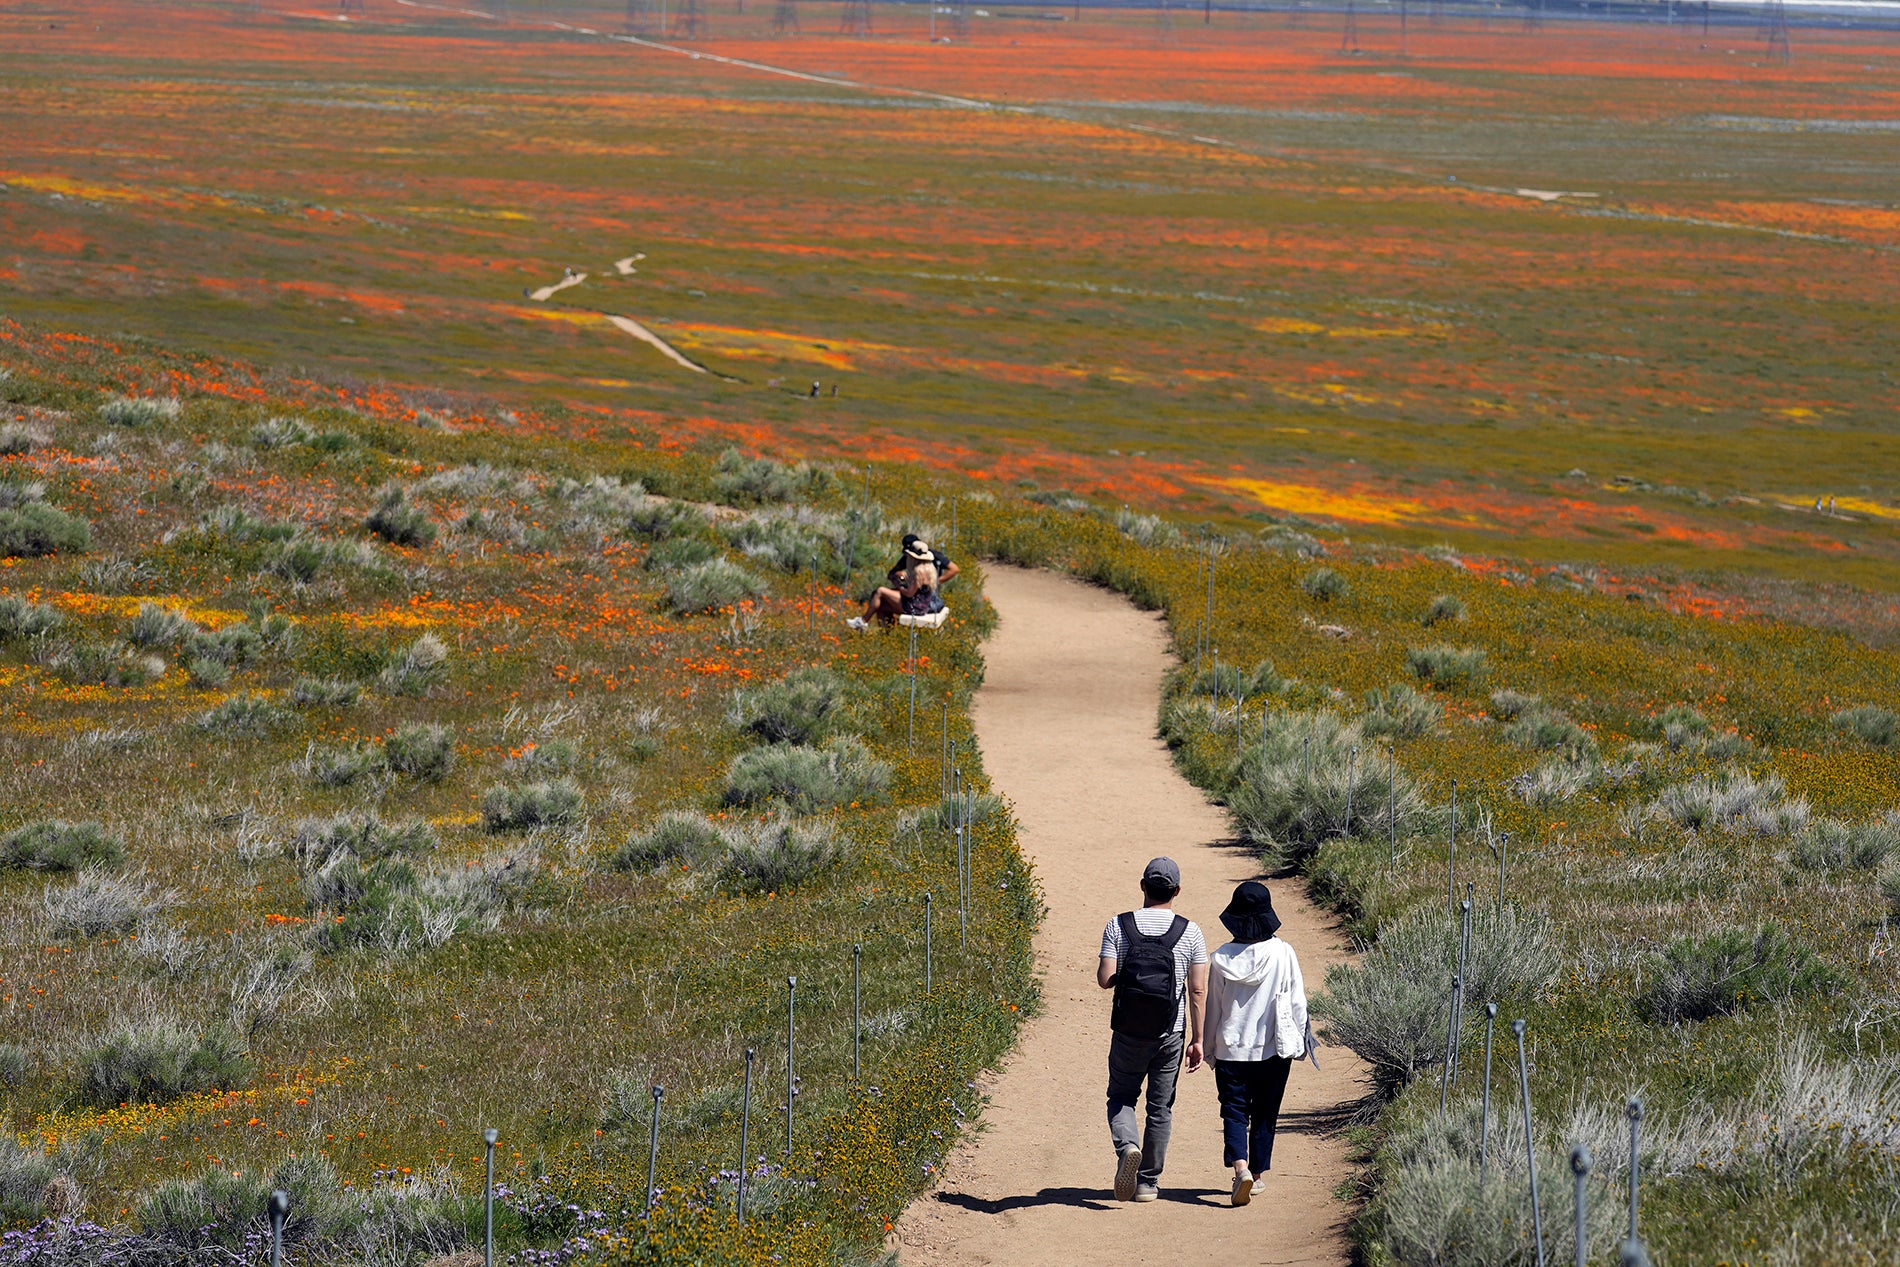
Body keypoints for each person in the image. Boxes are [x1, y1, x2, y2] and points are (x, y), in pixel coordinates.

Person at [1097, 857, 1208, 1203]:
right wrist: (1198, 1039)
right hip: (1170, 1032)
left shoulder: (1119, 925)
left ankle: (1128, 1147)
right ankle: (1147, 1183)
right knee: (1160, 1108)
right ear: (1177, 891)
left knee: (1121, 1096)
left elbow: (1105, 979)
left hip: (1128, 1030)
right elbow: (1198, 990)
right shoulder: (1190, 931)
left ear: (1143, 886)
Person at [1205, 880, 1308, 1208]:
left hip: (1231, 1049)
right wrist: (1302, 1039)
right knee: (1265, 1111)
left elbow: (1213, 1008)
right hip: (1273, 1048)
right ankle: (1258, 1174)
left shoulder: (1220, 958)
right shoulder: (1283, 952)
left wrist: (1208, 1048)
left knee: (1234, 1110)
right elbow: (1297, 1001)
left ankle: (1241, 1169)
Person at [845, 539, 937, 631]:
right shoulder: (929, 569)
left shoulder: (919, 572)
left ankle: (863, 621)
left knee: (880, 591)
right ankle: (885, 634)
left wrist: (898, 585)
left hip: (914, 606)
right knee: (882, 606)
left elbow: (909, 593)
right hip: (922, 606)